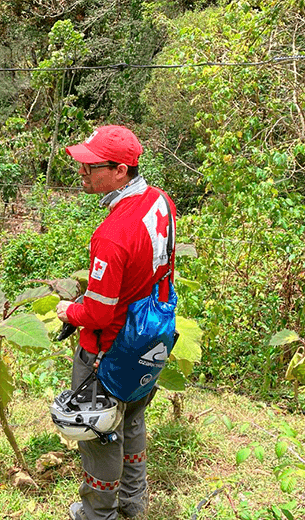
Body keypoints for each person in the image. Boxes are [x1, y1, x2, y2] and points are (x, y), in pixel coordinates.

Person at [56, 126, 176, 520]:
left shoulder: (112, 235)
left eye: (91, 166)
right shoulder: (160, 201)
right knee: (133, 417)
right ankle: (133, 501)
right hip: (150, 336)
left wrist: (68, 311)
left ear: (120, 170)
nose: (82, 172)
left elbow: (98, 314)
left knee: (100, 433)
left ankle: (98, 514)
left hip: (107, 349)